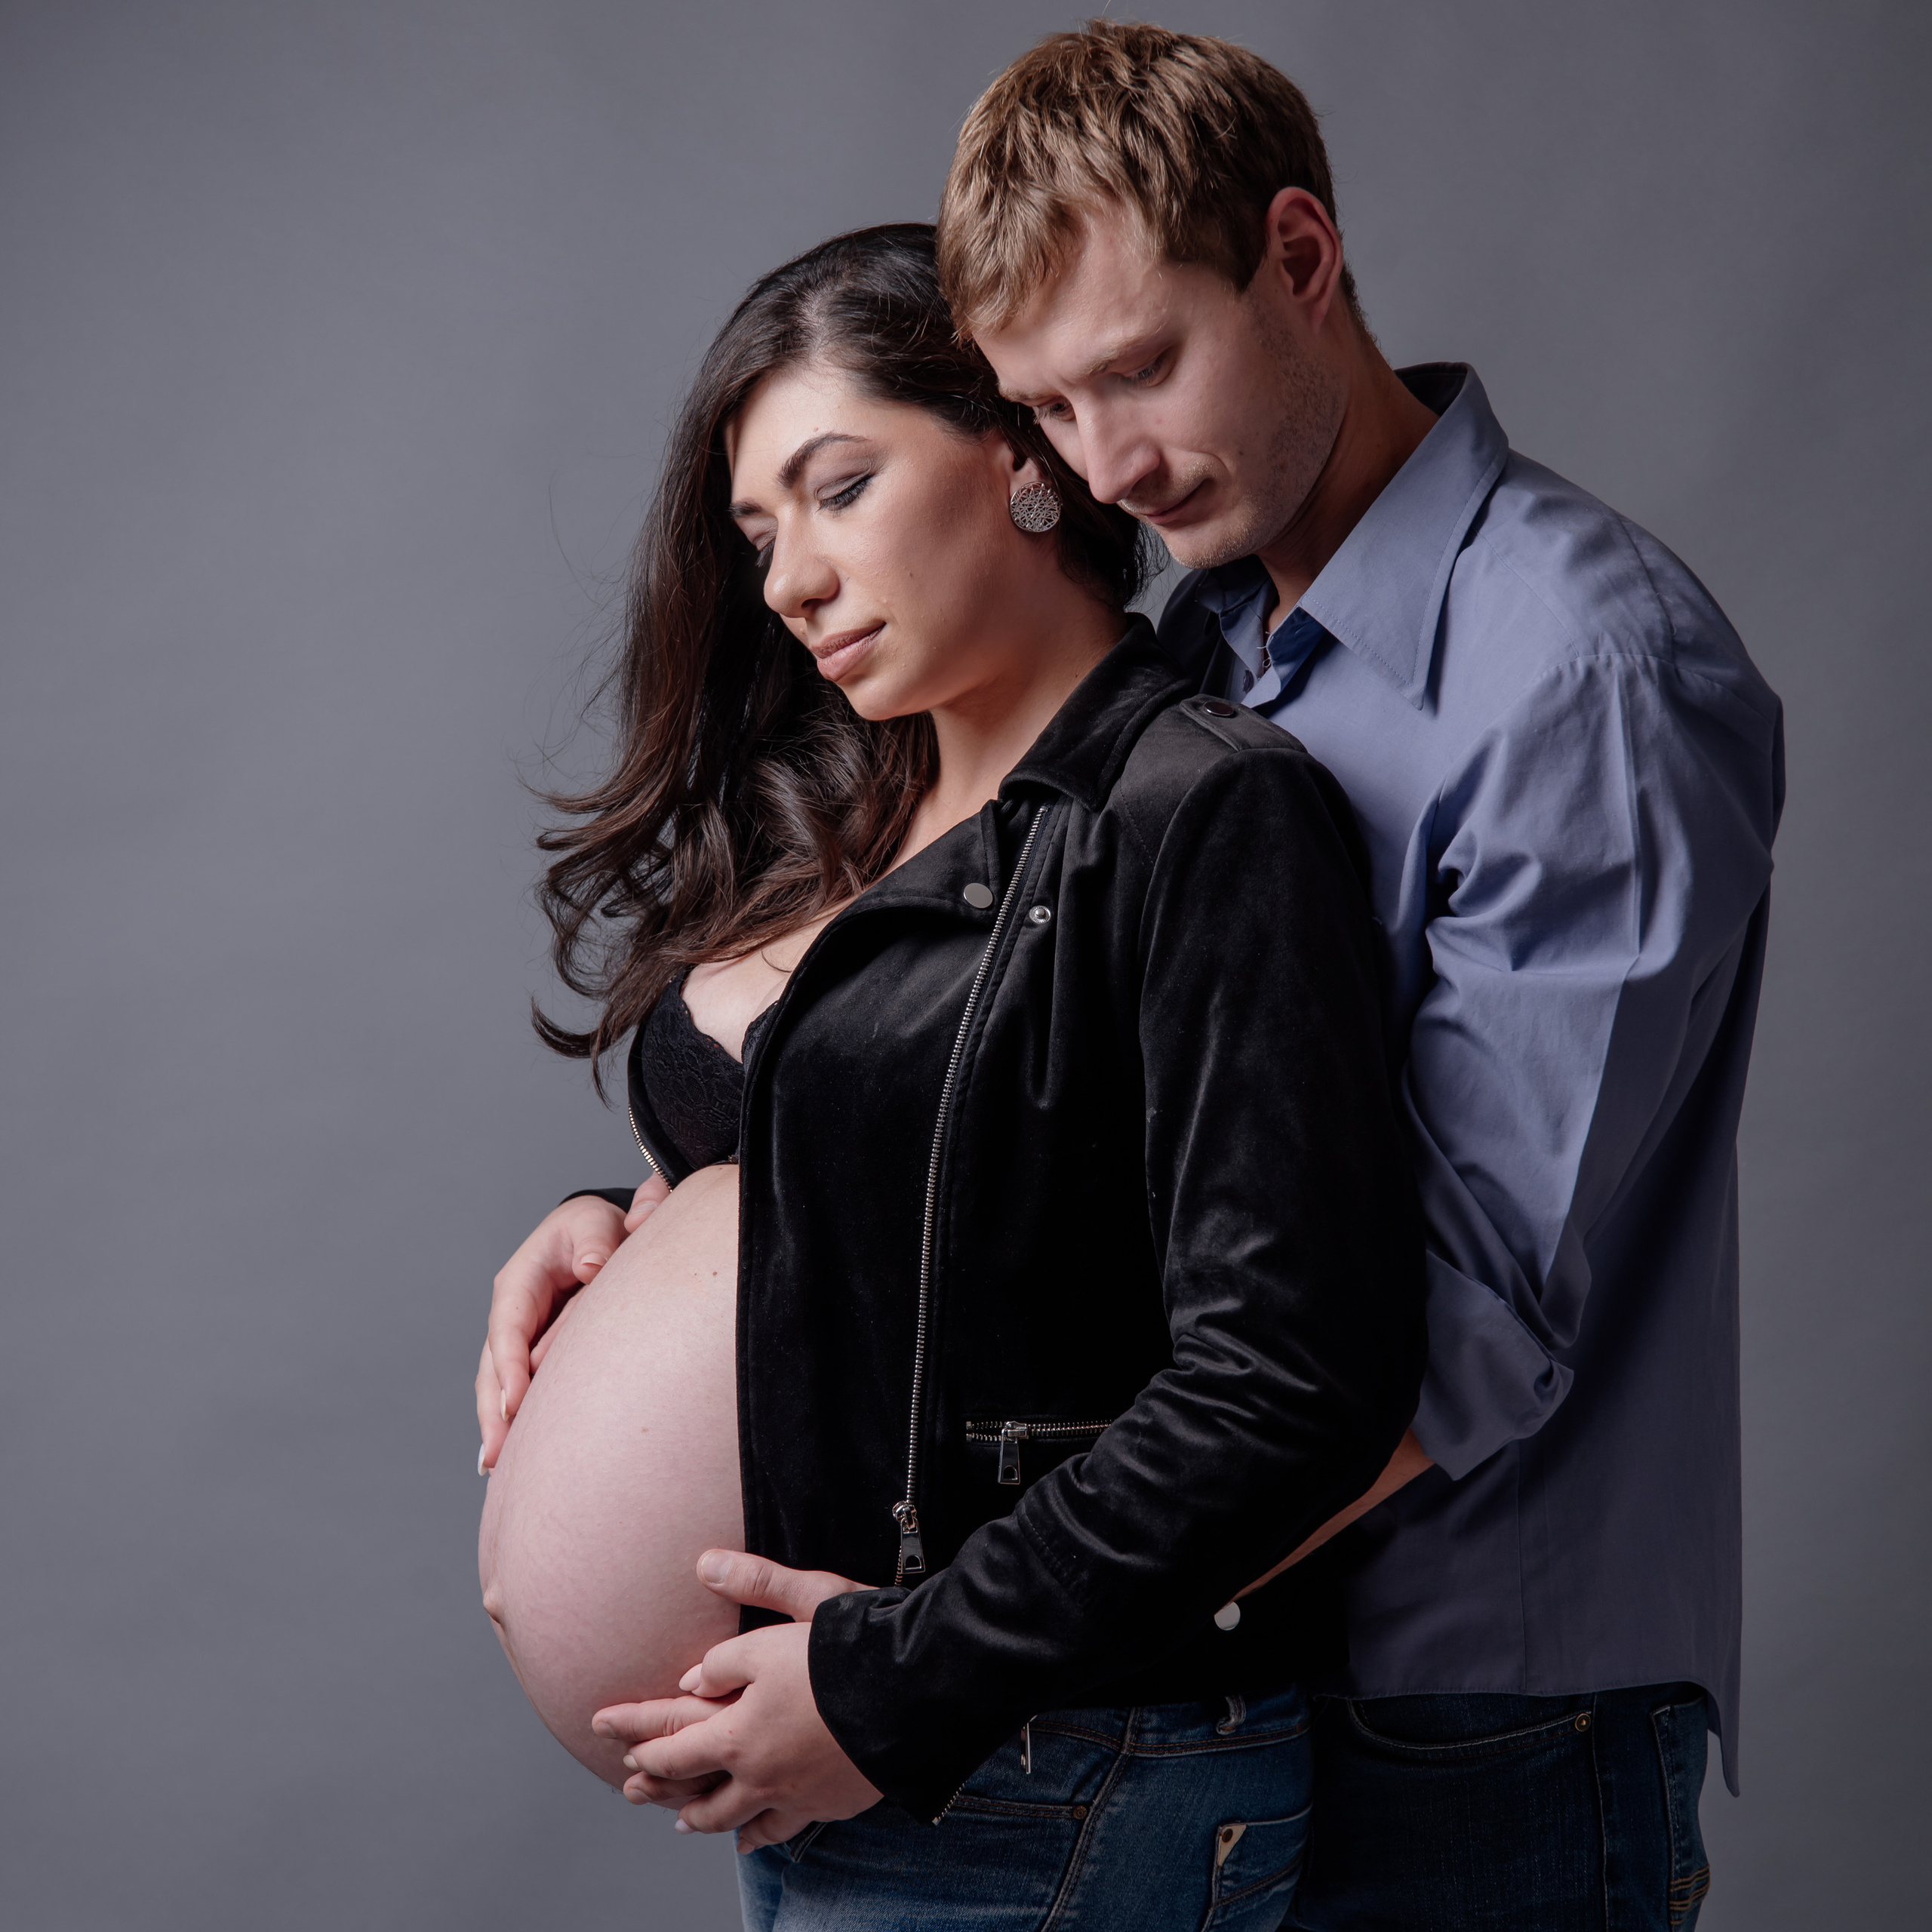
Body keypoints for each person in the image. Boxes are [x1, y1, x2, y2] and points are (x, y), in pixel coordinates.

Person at [913, 20, 1783, 1930]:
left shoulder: (1580, 674)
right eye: (1049, 412)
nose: (1109, 464)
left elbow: (1465, 1316)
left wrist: (964, 1648)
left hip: (1473, 1718)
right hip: (1223, 1682)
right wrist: (645, 1213)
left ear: (1299, 258)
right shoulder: (1202, 653)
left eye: (1141, 366)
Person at [475, 223, 1428, 1929]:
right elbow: (906, 1182)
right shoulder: (841, 810)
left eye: (837, 488)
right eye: (757, 530)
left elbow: (1293, 1377)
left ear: (1019, 456)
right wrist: (616, 1225)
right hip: (860, 1793)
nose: (785, 578)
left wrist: (893, 1681)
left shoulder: (1199, 811)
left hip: (1044, 1769)